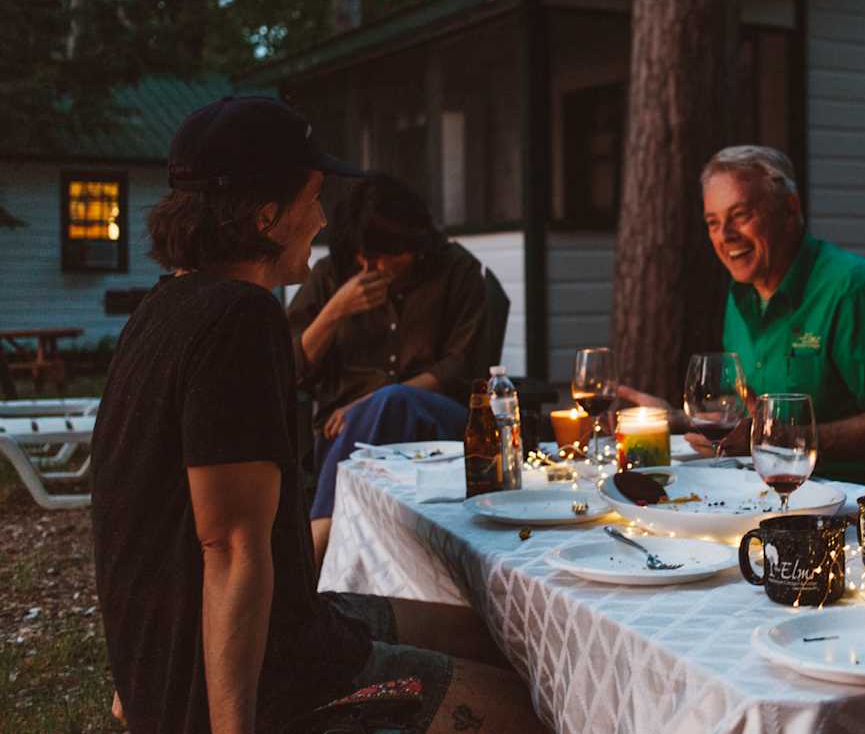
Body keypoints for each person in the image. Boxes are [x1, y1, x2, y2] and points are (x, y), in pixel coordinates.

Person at [92, 97, 542, 734]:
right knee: (533, 708)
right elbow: (231, 548)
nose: (324, 217)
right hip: (270, 670)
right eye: (313, 197)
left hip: (291, 618)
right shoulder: (239, 320)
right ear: (267, 215)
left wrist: (126, 673)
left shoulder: (162, 309)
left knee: (498, 631)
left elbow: (132, 517)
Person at [622, 145, 865, 484]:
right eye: (713, 222)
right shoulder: (741, 294)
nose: (725, 236)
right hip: (760, 496)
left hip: (850, 506)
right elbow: (752, 414)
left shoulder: (856, 289)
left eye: (740, 216)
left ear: (789, 209)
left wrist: (778, 439)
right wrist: (679, 418)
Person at [288, 173, 487, 564]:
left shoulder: (456, 271)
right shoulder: (333, 274)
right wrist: (335, 311)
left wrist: (373, 403)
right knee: (379, 411)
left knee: (393, 401)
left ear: (414, 243)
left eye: (384, 255)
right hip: (343, 437)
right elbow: (289, 367)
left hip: (435, 429)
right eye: (363, 255)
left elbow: (460, 364)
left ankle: (317, 540)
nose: (370, 265)